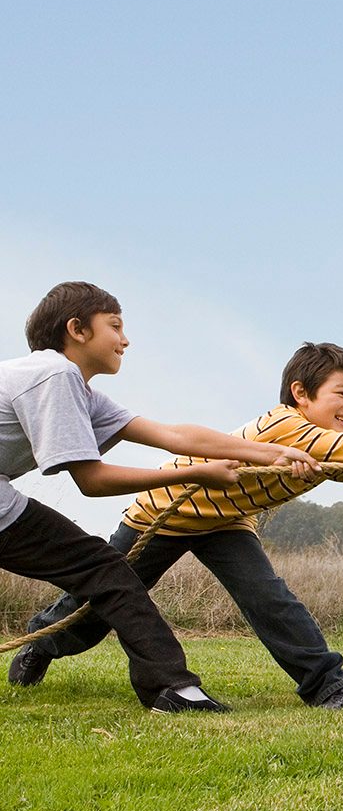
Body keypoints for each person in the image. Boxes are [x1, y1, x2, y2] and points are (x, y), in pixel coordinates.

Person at [10, 341, 343, 709]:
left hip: (229, 522)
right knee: (106, 599)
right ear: (301, 393)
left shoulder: (319, 444)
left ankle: (327, 685)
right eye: (342, 394)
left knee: (269, 597)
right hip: (167, 511)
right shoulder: (290, 427)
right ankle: (44, 641)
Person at [0, 281, 320, 712]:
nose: (125, 339)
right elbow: (91, 481)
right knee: (104, 569)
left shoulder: (75, 388)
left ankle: (168, 685)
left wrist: (270, 451)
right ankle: (172, 688)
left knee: (104, 571)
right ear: (77, 329)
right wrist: (201, 474)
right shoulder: (55, 375)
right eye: (114, 326)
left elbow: (172, 435)